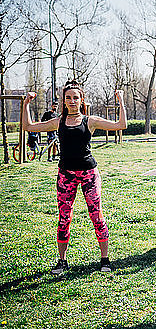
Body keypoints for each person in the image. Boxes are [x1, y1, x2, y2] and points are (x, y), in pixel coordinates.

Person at [22, 80, 127, 274]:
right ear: (64, 101)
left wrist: (120, 100)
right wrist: (26, 103)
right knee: (64, 218)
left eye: (75, 97)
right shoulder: (58, 121)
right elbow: (28, 126)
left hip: (88, 174)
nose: (72, 101)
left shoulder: (90, 121)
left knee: (96, 215)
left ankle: (105, 259)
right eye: (68, 98)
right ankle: (62, 261)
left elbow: (121, 124)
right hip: (66, 175)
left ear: (81, 100)